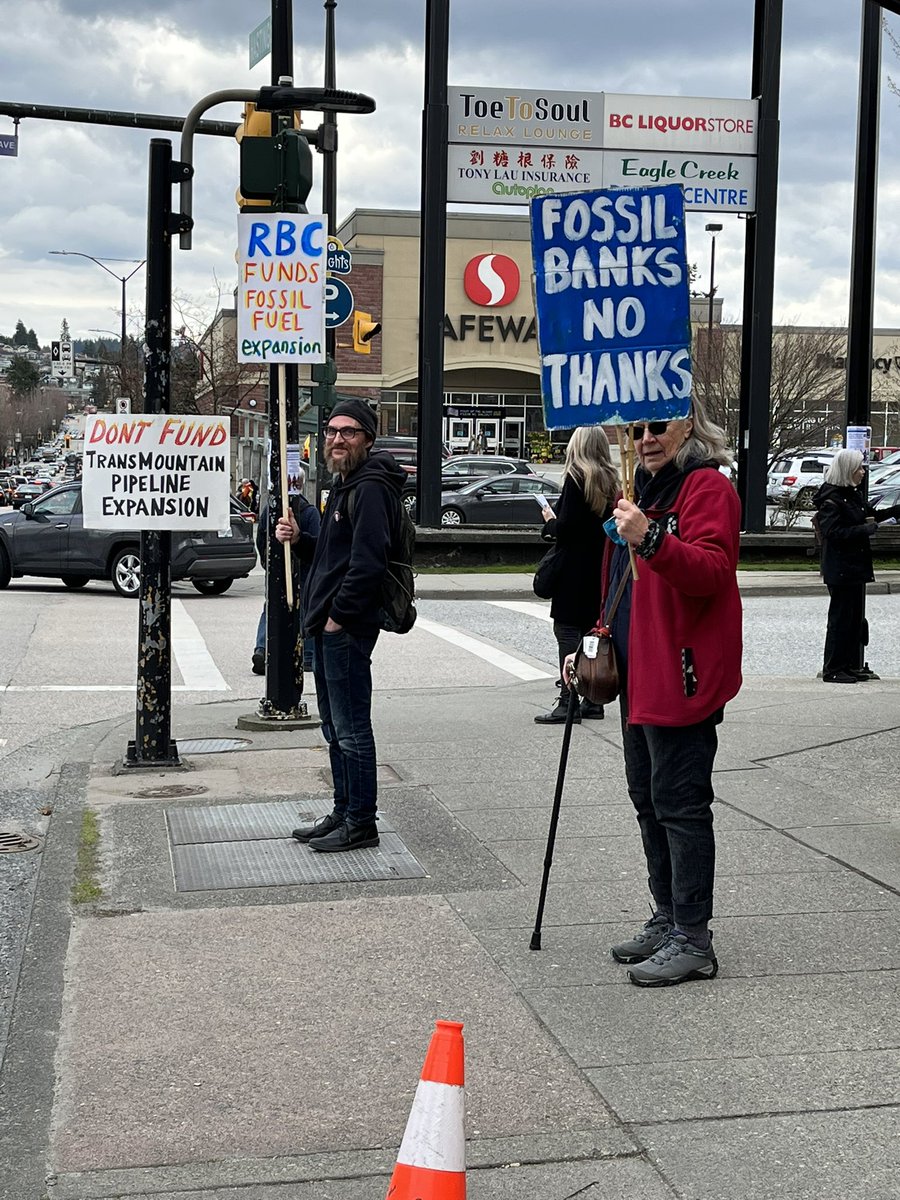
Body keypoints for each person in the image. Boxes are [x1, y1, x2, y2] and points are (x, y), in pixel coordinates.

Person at [566, 402, 742, 987]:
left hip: (682, 674)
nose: (645, 439)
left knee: (681, 802)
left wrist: (650, 538)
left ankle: (693, 937)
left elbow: (712, 572)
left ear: (687, 425)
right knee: (647, 795)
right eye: (636, 428)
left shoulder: (707, 487)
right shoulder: (637, 487)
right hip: (639, 671)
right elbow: (617, 581)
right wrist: (595, 641)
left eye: (657, 426)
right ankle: (667, 916)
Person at [276, 398, 407, 853]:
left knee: (351, 729)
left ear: (367, 440)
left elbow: (368, 562)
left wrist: (337, 618)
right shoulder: (347, 485)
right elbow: (337, 554)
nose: (336, 439)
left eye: (348, 432)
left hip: (346, 628)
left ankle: (361, 822)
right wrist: (303, 538)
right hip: (332, 624)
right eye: (332, 431)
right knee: (334, 727)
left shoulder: (370, 487)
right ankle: (343, 810)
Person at [534, 426, 618, 724]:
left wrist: (549, 522)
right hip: (599, 568)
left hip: (572, 571)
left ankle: (567, 701)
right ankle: (593, 698)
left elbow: (567, 529)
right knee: (590, 631)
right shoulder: (609, 479)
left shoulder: (576, 477)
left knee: (566, 633)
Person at [813, 448, 900, 683]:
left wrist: (895, 512)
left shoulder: (852, 495)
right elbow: (834, 532)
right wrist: (866, 529)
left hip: (855, 566)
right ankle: (833, 667)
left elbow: (873, 515)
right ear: (848, 470)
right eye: (859, 468)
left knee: (853, 619)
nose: (863, 472)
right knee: (840, 619)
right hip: (841, 567)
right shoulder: (831, 500)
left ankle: (849, 664)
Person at [252, 465, 320, 676]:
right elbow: (317, 543)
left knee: (271, 606)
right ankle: (308, 654)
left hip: (277, 568)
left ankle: (263, 649)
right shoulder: (309, 512)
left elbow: (261, 537)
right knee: (307, 608)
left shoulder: (269, 510)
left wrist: (266, 561)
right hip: (304, 569)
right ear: (300, 484)